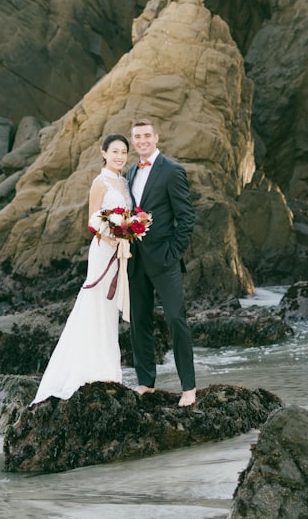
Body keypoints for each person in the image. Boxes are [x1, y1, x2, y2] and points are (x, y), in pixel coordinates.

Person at [32, 133, 132, 404]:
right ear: (104, 153)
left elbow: (129, 215)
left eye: (124, 151)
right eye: (115, 151)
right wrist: (113, 235)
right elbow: (92, 219)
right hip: (103, 250)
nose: (120, 156)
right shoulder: (100, 182)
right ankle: (84, 369)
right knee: (97, 303)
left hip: (121, 252)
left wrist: (129, 231)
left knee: (110, 309)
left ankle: (108, 369)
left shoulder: (124, 181)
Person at [126, 119, 197, 407]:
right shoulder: (130, 172)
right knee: (139, 321)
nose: (142, 140)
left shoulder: (172, 171)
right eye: (137, 137)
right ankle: (145, 382)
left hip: (165, 260)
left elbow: (187, 217)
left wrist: (172, 252)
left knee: (176, 320)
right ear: (133, 141)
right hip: (135, 260)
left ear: (156, 137)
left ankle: (189, 387)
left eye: (146, 135)